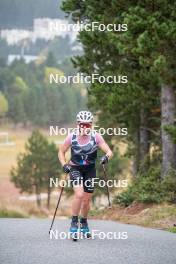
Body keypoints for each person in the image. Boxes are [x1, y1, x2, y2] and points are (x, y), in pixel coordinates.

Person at [58, 110, 113, 238]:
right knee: (79, 194)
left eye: (87, 125)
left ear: (91, 125)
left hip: (89, 170)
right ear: (78, 124)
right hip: (75, 168)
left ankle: (84, 222)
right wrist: (64, 165)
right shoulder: (71, 137)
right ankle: (73, 223)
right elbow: (61, 152)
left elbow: (109, 151)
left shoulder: (96, 136)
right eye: (82, 124)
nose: (85, 127)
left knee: (86, 201)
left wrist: (106, 157)